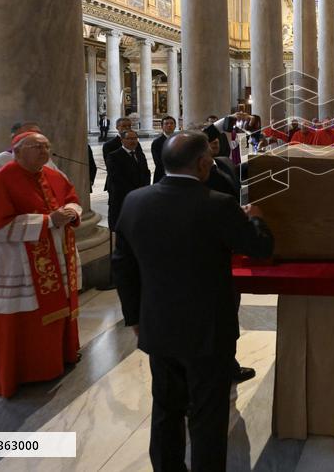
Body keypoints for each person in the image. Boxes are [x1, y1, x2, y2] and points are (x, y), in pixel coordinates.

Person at [112, 130, 274, 470]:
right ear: (203, 163)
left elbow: (122, 266)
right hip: (208, 330)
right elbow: (259, 248)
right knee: (207, 415)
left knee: (166, 409)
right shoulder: (218, 204)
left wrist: (135, 318)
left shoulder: (135, 201)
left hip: (158, 326)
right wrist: (256, 217)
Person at [0, 132, 83, 397]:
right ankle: (24, 372)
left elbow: (73, 199)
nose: (44, 152)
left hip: (55, 260)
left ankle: (59, 359)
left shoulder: (54, 176)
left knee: (58, 312)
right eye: (37, 147)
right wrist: (47, 222)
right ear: (17, 151)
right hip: (18, 267)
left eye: (47, 147)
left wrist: (72, 212)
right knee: (24, 322)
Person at [105, 129, 151, 231]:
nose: (133, 141)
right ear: (122, 140)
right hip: (122, 197)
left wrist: (145, 188)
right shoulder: (113, 156)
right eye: (129, 138)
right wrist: (134, 192)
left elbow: (146, 172)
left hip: (140, 196)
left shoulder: (139, 154)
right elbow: (116, 178)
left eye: (135, 138)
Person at [203, 124, 239, 199]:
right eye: (210, 139)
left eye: (216, 137)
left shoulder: (225, 161)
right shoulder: (195, 172)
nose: (216, 141)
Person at [150, 115, 177, 184]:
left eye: (171, 123)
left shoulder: (180, 140)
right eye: (166, 124)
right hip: (162, 175)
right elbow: (158, 162)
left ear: (175, 126)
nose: (169, 125)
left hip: (179, 175)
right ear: (162, 126)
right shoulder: (156, 142)